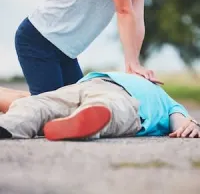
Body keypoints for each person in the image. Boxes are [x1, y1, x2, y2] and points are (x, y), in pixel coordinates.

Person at [13, 0, 162, 96]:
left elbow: (137, 17)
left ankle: (34, 100)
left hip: (67, 52)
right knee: (50, 114)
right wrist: (132, 63)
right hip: (38, 38)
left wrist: (134, 65)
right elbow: (124, 10)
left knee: (76, 111)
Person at [0, 72, 199, 140]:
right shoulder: (124, 74)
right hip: (87, 85)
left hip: (127, 101)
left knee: (105, 107)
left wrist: (191, 124)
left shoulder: (168, 102)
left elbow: (181, 122)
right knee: (37, 104)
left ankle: (79, 124)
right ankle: (7, 125)